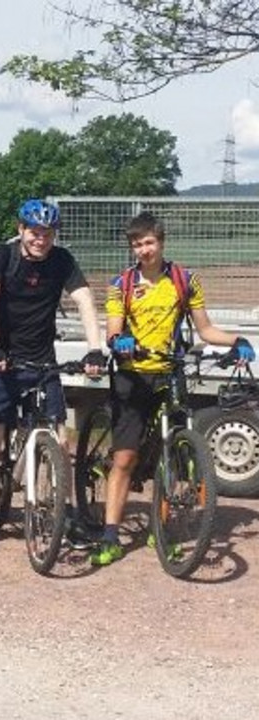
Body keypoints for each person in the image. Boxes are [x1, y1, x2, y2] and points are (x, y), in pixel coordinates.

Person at [90, 211, 255, 566]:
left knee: (177, 455)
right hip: (133, 376)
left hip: (171, 372)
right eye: (137, 244)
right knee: (125, 458)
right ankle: (109, 535)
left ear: (161, 242)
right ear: (131, 248)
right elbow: (113, 330)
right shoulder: (121, 284)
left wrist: (237, 341)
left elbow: (206, 329)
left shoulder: (184, 279)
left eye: (149, 242)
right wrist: (121, 341)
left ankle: (163, 527)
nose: (144, 250)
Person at [0, 199, 106, 553]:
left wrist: (96, 348)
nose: (41, 239)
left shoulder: (61, 260)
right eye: (34, 232)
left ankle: (63, 514)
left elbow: (85, 300)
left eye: (47, 233)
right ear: (21, 230)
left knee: (61, 442)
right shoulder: (2, 255)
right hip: (2, 361)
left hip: (43, 361)